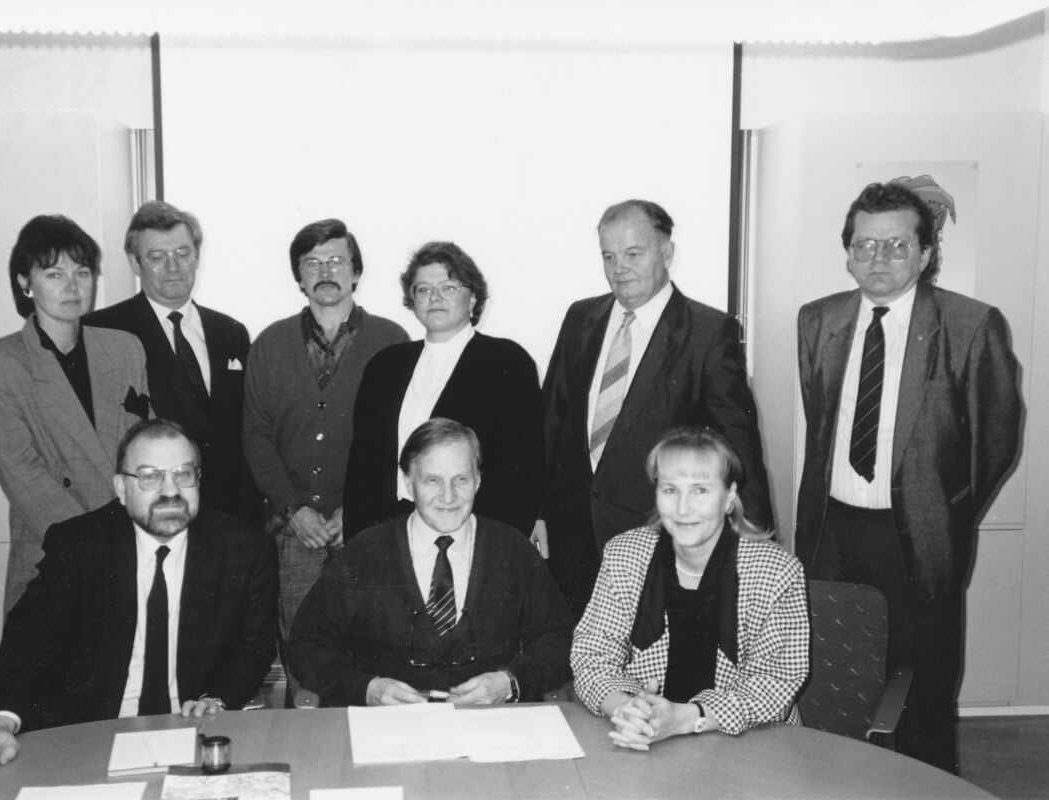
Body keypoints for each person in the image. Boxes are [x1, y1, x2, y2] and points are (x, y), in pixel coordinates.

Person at [796, 180, 1021, 773]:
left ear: (924, 254)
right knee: (833, 684)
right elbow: (823, 425)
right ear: (848, 254)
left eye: (897, 245)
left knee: (922, 690)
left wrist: (943, 508)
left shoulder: (970, 324)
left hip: (918, 539)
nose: (879, 258)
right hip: (832, 536)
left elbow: (996, 439)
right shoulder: (817, 320)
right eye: (865, 245)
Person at [0, 419, 276, 777]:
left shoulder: (243, 548)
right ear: (121, 488)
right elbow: (29, 642)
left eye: (184, 474)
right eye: (149, 476)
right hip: (90, 733)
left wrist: (216, 698)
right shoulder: (79, 545)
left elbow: (252, 648)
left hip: (191, 732)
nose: (170, 490)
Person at [535, 199, 774, 617]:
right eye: (609, 256)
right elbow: (550, 422)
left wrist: (753, 540)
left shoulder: (708, 331)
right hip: (571, 535)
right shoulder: (580, 317)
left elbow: (739, 444)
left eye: (633, 253)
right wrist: (536, 511)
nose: (619, 268)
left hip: (660, 534)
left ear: (666, 253)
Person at [288, 418, 573, 706]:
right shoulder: (366, 552)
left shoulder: (513, 550)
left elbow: (560, 639)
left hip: (490, 722)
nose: (448, 496)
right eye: (433, 480)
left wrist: (509, 682)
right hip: (388, 723)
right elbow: (306, 644)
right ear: (408, 484)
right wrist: (367, 688)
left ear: (478, 481)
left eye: (460, 479)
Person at [572, 427, 808, 749]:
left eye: (700, 490)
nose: (683, 509)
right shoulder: (624, 555)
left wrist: (686, 718)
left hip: (748, 741)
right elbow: (592, 655)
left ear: (729, 497)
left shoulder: (776, 570)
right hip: (645, 738)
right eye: (670, 490)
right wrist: (627, 709)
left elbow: (775, 683)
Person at [0, 214, 150, 614]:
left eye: (82, 272)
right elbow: (23, 474)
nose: (72, 286)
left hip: (133, 545)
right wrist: (101, 543)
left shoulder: (125, 348)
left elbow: (145, 448)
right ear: (24, 282)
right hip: (55, 551)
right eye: (54, 274)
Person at [243, 218, 408, 642]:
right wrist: (293, 509)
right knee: (303, 645)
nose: (325, 271)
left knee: (373, 644)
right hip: (294, 530)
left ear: (356, 271)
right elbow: (256, 435)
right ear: (299, 276)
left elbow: (401, 437)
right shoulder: (269, 343)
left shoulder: (392, 340)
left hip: (370, 527)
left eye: (337, 261)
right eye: (312, 263)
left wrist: (358, 506)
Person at [343, 241, 543, 539]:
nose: (434, 297)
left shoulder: (507, 362)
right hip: (388, 533)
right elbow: (361, 467)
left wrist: (494, 547)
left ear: (472, 298)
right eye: (423, 289)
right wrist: (359, 543)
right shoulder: (385, 366)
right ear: (412, 300)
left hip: (470, 534)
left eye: (448, 287)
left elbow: (522, 469)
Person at [85, 200, 258, 523]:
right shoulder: (103, 330)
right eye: (156, 257)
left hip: (229, 513)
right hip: (151, 509)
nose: (173, 266)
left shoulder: (231, 332)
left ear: (197, 257)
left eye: (182, 253)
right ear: (135, 264)